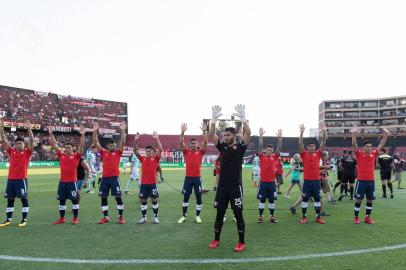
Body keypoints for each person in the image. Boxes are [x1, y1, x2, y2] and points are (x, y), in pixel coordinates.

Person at [208, 104, 251, 252]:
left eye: (227, 135)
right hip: (222, 188)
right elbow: (211, 135)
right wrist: (213, 120)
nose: (225, 137)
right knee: (219, 213)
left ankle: (241, 242)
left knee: (238, 214)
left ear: (233, 136)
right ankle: (216, 239)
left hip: (235, 187)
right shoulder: (222, 147)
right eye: (224, 135)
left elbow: (248, 134)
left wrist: (243, 119)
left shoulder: (240, 148)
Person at [351, 126, 389, 224]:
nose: (369, 148)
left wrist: (386, 134)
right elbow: (354, 144)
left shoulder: (374, 153)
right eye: (367, 146)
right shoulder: (359, 154)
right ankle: (356, 217)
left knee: (370, 200)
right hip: (361, 181)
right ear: (364, 147)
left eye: (370, 146)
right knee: (359, 200)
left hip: (371, 182)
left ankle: (367, 218)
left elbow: (382, 143)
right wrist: (354, 134)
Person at [49, 125, 85, 225]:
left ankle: (75, 218)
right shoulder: (61, 155)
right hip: (62, 183)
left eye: (69, 148)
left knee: (74, 201)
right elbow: (55, 144)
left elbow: (81, 146)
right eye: (66, 148)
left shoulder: (76, 157)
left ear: (72, 149)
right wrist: (51, 133)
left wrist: (82, 135)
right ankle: (61, 218)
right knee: (61, 201)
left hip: (72, 183)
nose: (67, 149)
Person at [0, 119, 33, 227]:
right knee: (10, 200)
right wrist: (1, 128)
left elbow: (32, 140)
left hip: (21, 180)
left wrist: (29, 128)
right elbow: (4, 140)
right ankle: (8, 219)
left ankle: (24, 219)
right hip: (11, 180)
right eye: (17, 144)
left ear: (24, 145)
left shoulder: (27, 153)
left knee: (24, 199)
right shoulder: (11, 151)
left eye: (20, 144)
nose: (18, 145)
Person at [93, 122, 126, 225]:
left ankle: (121, 217)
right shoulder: (103, 152)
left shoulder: (118, 153)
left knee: (118, 197)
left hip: (114, 179)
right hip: (105, 179)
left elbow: (123, 143)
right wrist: (94, 131)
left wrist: (123, 131)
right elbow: (96, 142)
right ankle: (105, 217)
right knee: (103, 197)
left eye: (114, 145)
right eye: (111, 145)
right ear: (108, 146)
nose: (113, 147)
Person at [177, 122, 208, 224]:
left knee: (198, 197)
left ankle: (197, 216)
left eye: (195, 143)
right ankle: (184, 216)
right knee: (186, 197)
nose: (194, 145)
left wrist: (204, 131)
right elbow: (181, 143)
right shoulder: (186, 152)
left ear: (197, 144)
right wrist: (182, 132)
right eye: (192, 143)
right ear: (190, 145)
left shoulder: (200, 152)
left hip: (197, 178)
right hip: (188, 178)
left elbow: (205, 142)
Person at [298, 124, 327, 224]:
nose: (311, 147)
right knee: (305, 199)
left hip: (316, 181)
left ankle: (318, 217)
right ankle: (304, 217)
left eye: (313, 146)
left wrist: (324, 132)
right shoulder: (304, 154)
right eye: (310, 146)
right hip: (307, 181)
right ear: (307, 147)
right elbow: (300, 145)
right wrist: (301, 132)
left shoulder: (318, 153)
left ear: (315, 147)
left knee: (317, 199)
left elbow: (323, 143)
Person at [133, 132, 163, 224]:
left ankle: (155, 217)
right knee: (143, 200)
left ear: (152, 152)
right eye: (146, 151)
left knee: (154, 200)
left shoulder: (155, 159)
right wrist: (136, 140)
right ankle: (144, 218)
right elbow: (135, 150)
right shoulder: (142, 159)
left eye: (149, 151)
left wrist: (157, 138)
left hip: (152, 184)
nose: (147, 153)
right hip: (144, 184)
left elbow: (161, 149)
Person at [256, 127, 282, 223]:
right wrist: (261, 136)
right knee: (262, 201)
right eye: (268, 150)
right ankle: (260, 216)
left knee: (271, 201)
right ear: (265, 151)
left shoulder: (274, 157)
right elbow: (260, 146)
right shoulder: (262, 156)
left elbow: (279, 148)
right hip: (263, 183)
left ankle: (271, 217)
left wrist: (280, 138)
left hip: (271, 184)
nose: (270, 151)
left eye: (271, 150)